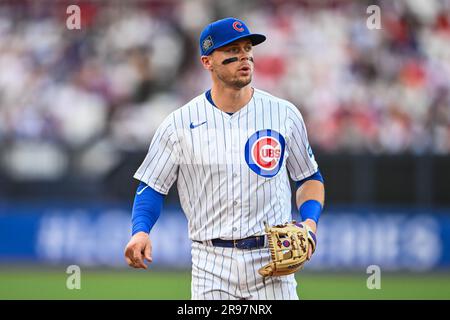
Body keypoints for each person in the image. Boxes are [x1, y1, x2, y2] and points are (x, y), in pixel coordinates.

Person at [124, 17, 325, 300]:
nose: (243, 56)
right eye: (232, 50)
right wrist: (140, 231)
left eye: (247, 48)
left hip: (272, 260)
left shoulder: (284, 114)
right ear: (207, 62)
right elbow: (152, 186)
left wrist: (310, 224)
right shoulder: (179, 123)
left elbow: (309, 178)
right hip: (211, 264)